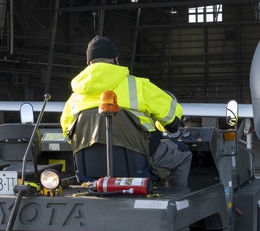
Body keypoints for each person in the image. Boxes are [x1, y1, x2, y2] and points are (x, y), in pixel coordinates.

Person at [60, 35, 191, 187]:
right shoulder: (139, 86)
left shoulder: (74, 98)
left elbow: (68, 135)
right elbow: (173, 121)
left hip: (91, 173)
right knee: (183, 155)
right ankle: (175, 197)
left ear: (89, 62)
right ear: (116, 59)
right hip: (139, 162)